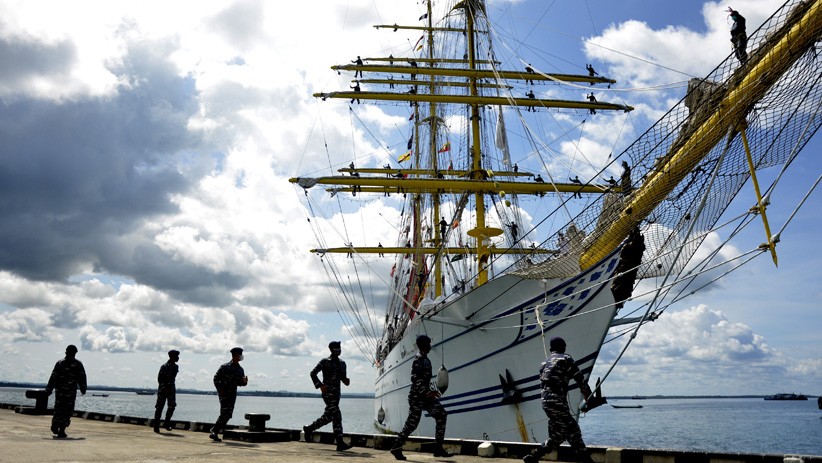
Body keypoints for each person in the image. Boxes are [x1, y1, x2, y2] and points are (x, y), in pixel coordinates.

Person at [523, 337, 594, 463]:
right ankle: (586, 460)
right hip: (557, 401)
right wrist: (588, 397)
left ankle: (534, 457)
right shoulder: (566, 358)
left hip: (545, 402)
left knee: (560, 434)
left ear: (551, 349)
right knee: (572, 431)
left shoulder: (543, 364)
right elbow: (580, 378)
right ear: (563, 347)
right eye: (564, 346)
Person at [389, 335, 450, 460]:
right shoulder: (418, 360)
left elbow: (423, 380)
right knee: (412, 425)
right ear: (423, 345)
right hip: (417, 398)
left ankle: (438, 448)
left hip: (426, 397)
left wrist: (430, 392)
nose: (430, 346)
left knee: (441, 415)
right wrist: (427, 392)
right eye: (428, 344)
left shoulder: (425, 359)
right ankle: (396, 448)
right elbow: (415, 379)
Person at [302, 341, 353, 451]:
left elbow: (343, 378)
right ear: (331, 350)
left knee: (331, 416)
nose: (338, 350)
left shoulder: (343, 363)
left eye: (339, 348)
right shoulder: (325, 362)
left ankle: (309, 428)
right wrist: (320, 385)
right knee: (337, 415)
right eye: (336, 348)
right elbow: (313, 373)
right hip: (328, 394)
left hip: (337, 394)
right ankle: (340, 443)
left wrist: (346, 381)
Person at [45, 345, 87, 438]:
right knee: (66, 410)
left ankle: (59, 427)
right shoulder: (76, 364)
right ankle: (59, 427)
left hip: (63, 392)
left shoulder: (61, 363)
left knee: (60, 409)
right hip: (68, 392)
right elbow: (82, 377)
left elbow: (53, 377)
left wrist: (49, 389)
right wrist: (83, 388)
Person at [209, 347, 248, 442]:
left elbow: (240, 383)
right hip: (224, 394)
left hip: (232, 394)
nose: (241, 356)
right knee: (225, 413)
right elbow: (216, 379)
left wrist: (244, 382)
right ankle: (214, 431)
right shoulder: (225, 367)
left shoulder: (240, 369)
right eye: (239, 355)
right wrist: (220, 390)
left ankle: (215, 430)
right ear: (234, 355)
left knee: (228, 414)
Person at [153, 349, 180, 433]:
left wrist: (169, 387)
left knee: (172, 406)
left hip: (171, 389)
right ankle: (156, 425)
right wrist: (164, 387)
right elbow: (160, 379)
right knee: (159, 407)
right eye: (176, 356)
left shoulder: (175, 367)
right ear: (171, 357)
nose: (177, 358)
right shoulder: (164, 366)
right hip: (163, 389)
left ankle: (167, 422)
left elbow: (172, 377)